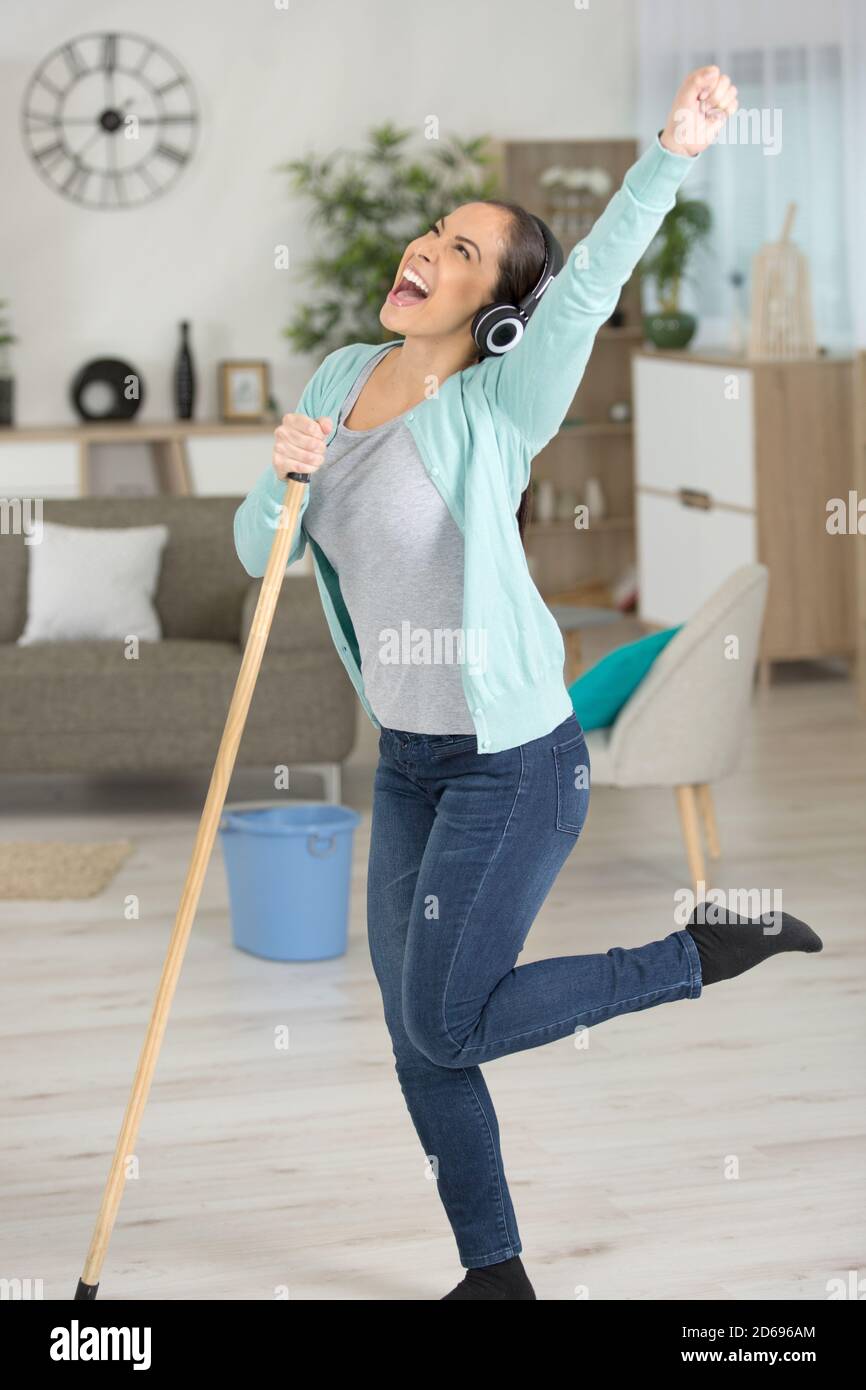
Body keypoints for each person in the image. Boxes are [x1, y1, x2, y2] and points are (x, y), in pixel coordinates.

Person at [234, 67, 822, 1300]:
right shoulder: (338, 381)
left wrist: (671, 152)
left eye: (459, 248)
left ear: (496, 307)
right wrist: (280, 473)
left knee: (446, 1019)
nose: (423, 250)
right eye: (430, 232)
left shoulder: (501, 401)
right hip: (406, 759)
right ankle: (494, 1276)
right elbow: (260, 552)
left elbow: (592, 281)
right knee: (419, 1035)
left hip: (511, 764)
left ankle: (691, 956)